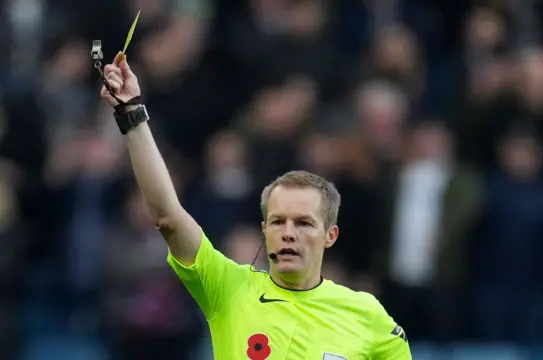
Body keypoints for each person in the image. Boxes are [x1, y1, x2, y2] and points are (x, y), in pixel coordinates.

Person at [99, 52, 411, 359]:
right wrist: (132, 115)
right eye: (278, 222)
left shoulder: (368, 317)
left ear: (330, 235)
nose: (288, 233)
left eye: (303, 223)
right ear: (264, 230)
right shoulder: (230, 288)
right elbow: (168, 215)